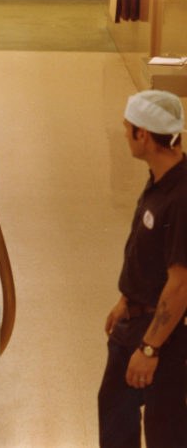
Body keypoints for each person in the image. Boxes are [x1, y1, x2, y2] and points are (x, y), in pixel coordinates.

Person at [98, 90, 187, 447]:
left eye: (127, 128)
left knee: (165, 428)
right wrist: (126, 300)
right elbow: (149, 252)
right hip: (135, 320)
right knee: (115, 410)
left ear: (144, 135)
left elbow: (181, 284)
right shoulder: (160, 179)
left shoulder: (182, 197)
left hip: (161, 336)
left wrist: (150, 349)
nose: (124, 135)